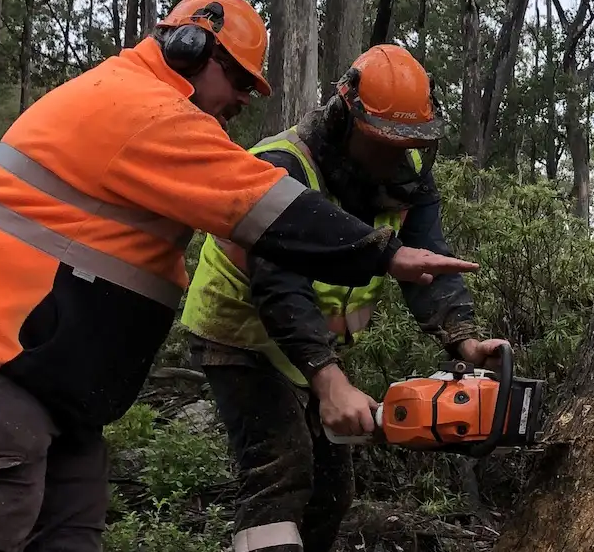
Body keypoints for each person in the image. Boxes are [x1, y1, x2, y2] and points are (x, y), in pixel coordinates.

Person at [0, 0, 478, 551]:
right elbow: (264, 209)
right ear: (191, 49)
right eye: (241, 80)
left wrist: (457, 328)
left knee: (70, 525)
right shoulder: (145, 108)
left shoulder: (147, 106)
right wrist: (384, 254)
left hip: (36, 355)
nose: (245, 99)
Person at [176, 43, 506, 552]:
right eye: (382, 142)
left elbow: (428, 258)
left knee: (333, 492)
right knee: (280, 472)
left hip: (308, 349)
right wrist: (329, 382)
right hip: (242, 336)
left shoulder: (407, 170)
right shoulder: (282, 166)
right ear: (346, 119)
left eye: (406, 142)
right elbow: (279, 287)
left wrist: (463, 340)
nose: (395, 155)